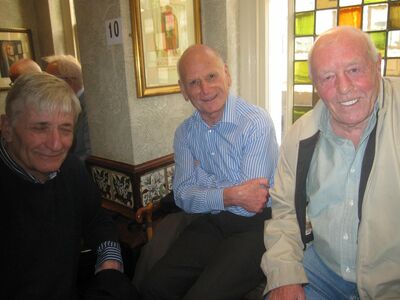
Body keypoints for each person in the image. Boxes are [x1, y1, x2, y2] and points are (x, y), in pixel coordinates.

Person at [261, 26, 400, 299]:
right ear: (315, 84)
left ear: (377, 65)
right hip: (324, 269)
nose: (344, 88)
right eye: (327, 77)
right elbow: (285, 212)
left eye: (354, 70)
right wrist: (284, 275)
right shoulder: (299, 136)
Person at [141, 44, 279, 300]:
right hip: (211, 222)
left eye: (212, 76)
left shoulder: (256, 121)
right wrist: (232, 193)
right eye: (194, 82)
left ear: (227, 75)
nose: (205, 90)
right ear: (183, 91)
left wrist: (202, 180)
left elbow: (253, 202)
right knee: (154, 286)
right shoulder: (185, 133)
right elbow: (182, 196)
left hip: (256, 227)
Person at [0, 72, 137, 299]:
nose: (55, 144)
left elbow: (95, 218)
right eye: (40, 128)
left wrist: (109, 259)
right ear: (7, 127)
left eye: (65, 129)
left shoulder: (70, 168)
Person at [43, 54, 91, 161]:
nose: (45, 86)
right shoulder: (62, 105)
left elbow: (89, 154)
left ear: (68, 82)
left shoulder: (90, 108)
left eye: (49, 81)